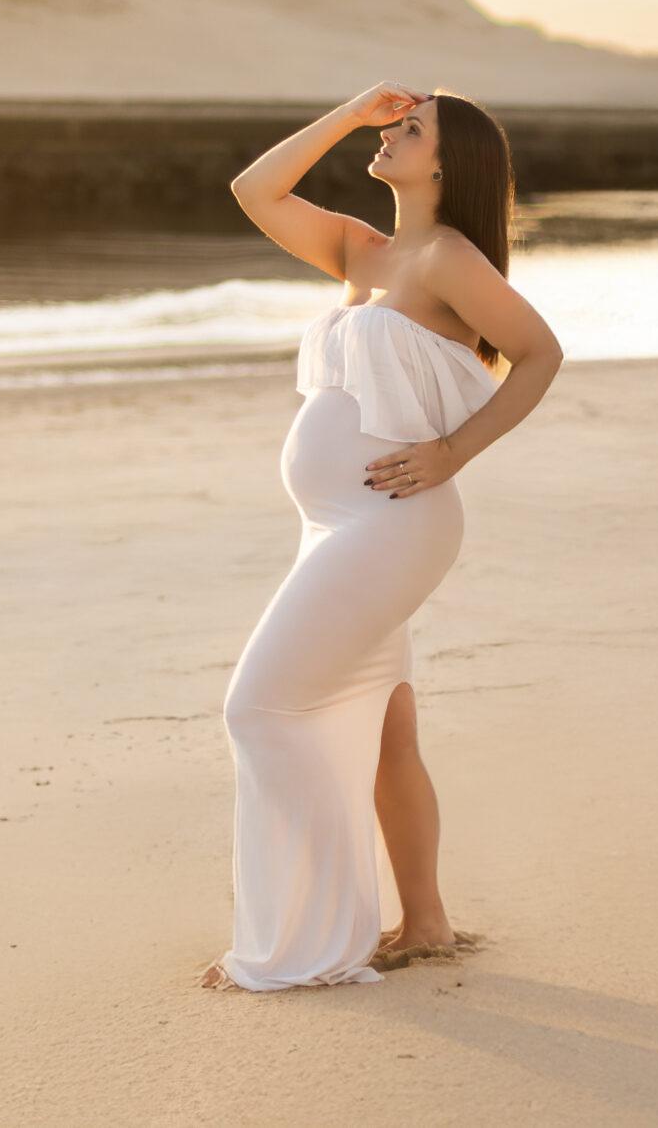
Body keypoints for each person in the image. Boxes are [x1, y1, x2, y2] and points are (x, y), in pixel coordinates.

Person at [198, 81, 565, 990]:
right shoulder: (365, 250)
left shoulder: (445, 258)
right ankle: (425, 922)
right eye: (394, 123)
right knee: (388, 731)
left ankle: (310, 937)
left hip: (389, 526)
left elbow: (540, 352)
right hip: (335, 525)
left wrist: (453, 451)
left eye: (412, 128)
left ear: (446, 163)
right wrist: (350, 113)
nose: (393, 133)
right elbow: (254, 189)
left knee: (258, 709)